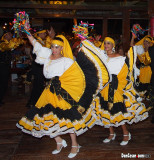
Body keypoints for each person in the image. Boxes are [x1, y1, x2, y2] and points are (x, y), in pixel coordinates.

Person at [16, 31, 110, 158]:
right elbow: (36, 45)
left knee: (68, 119)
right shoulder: (47, 56)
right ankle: (59, 142)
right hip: (48, 91)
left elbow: (78, 77)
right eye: (52, 46)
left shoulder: (67, 61)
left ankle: (75, 145)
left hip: (62, 93)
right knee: (46, 119)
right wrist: (27, 32)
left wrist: (84, 41)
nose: (54, 49)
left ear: (62, 48)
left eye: (57, 47)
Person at [93, 37, 148, 145]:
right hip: (104, 87)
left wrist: (132, 38)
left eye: (109, 43)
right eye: (105, 43)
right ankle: (111, 133)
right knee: (106, 110)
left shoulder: (119, 57)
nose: (106, 45)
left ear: (113, 45)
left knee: (118, 110)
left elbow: (127, 67)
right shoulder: (102, 57)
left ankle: (126, 133)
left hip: (116, 87)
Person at [0, 31, 24, 106]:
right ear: (5, 35)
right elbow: (10, 46)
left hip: (5, 66)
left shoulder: (8, 43)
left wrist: (19, 38)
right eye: (10, 34)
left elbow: (16, 45)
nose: (11, 36)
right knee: (2, 83)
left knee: (4, 83)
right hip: (1, 66)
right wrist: (16, 40)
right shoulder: (2, 43)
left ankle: (1, 99)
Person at [25, 27, 47, 108]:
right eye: (44, 33)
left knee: (39, 85)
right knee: (38, 85)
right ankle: (32, 103)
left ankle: (33, 102)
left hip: (39, 66)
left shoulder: (41, 42)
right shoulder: (38, 42)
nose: (45, 35)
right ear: (40, 34)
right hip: (38, 66)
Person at [130, 35, 153, 100]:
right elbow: (132, 46)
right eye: (144, 41)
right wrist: (133, 37)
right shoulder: (140, 48)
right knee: (141, 85)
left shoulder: (151, 51)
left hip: (149, 69)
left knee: (147, 85)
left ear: (150, 43)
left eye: (147, 42)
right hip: (142, 69)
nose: (145, 43)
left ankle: (148, 99)